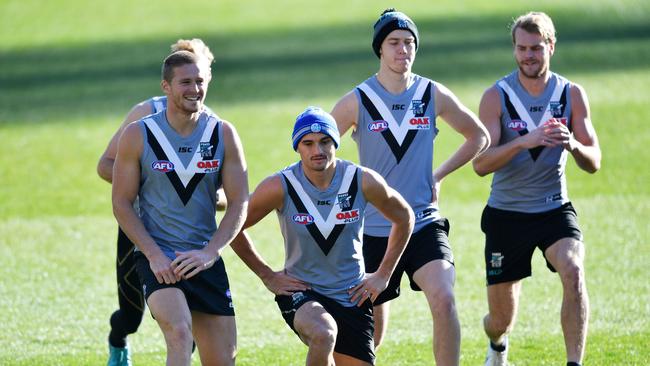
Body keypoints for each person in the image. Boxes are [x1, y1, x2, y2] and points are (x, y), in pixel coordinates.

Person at [330, 8, 489, 365]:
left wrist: (440, 174)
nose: (403, 50)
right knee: (371, 334)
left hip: (422, 221)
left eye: (409, 43)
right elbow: (316, 148)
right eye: (394, 43)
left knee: (444, 297)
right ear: (380, 50)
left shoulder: (431, 93)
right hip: (370, 230)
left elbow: (479, 135)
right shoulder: (359, 99)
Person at [231, 107, 414, 365]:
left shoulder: (361, 180)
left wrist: (383, 274)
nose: (317, 150)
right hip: (303, 291)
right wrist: (267, 275)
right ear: (297, 147)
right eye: (308, 143)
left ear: (335, 142)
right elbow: (233, 225)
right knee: (324, 333)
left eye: (325, 141)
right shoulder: (280, 186)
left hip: (352, 294)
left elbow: (405, 217)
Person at [472, 12, 601, 366]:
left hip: (553, 209)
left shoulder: (571, 94)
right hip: (506, 215)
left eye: (536, 48)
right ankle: (498, 345)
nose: (529, 55)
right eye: (522, 48)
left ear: (551, 47)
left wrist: (573, 144)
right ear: (514, 50)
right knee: (500, 321)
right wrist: (522, 142)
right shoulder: (496, 97)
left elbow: (594, 161)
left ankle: (574, 362)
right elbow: (480, 165)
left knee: (574, 271)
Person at [112, 50, 248, 366]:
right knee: (180, 333)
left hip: (203, 260)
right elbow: (121, 202)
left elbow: (240, 200)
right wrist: (154, 254)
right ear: (166, 86)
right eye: (185, 82)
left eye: (200, 81)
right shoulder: (138, 134)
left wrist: (211, 252)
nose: (195, 89)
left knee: (223, 359)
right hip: (160, 260)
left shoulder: (223, 133)